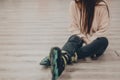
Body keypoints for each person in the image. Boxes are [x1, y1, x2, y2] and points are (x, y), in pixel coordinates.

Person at [40, 0, 110, 80]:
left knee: (104, 41)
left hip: (95, 41)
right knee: (74, 38)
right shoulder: (74, 3)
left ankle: (62, 57)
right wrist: (84, 38)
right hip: (80, 37)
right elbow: (73, 27)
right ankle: (62, 60)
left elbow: (103, 30)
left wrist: (89, 41)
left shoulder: (101, 6)